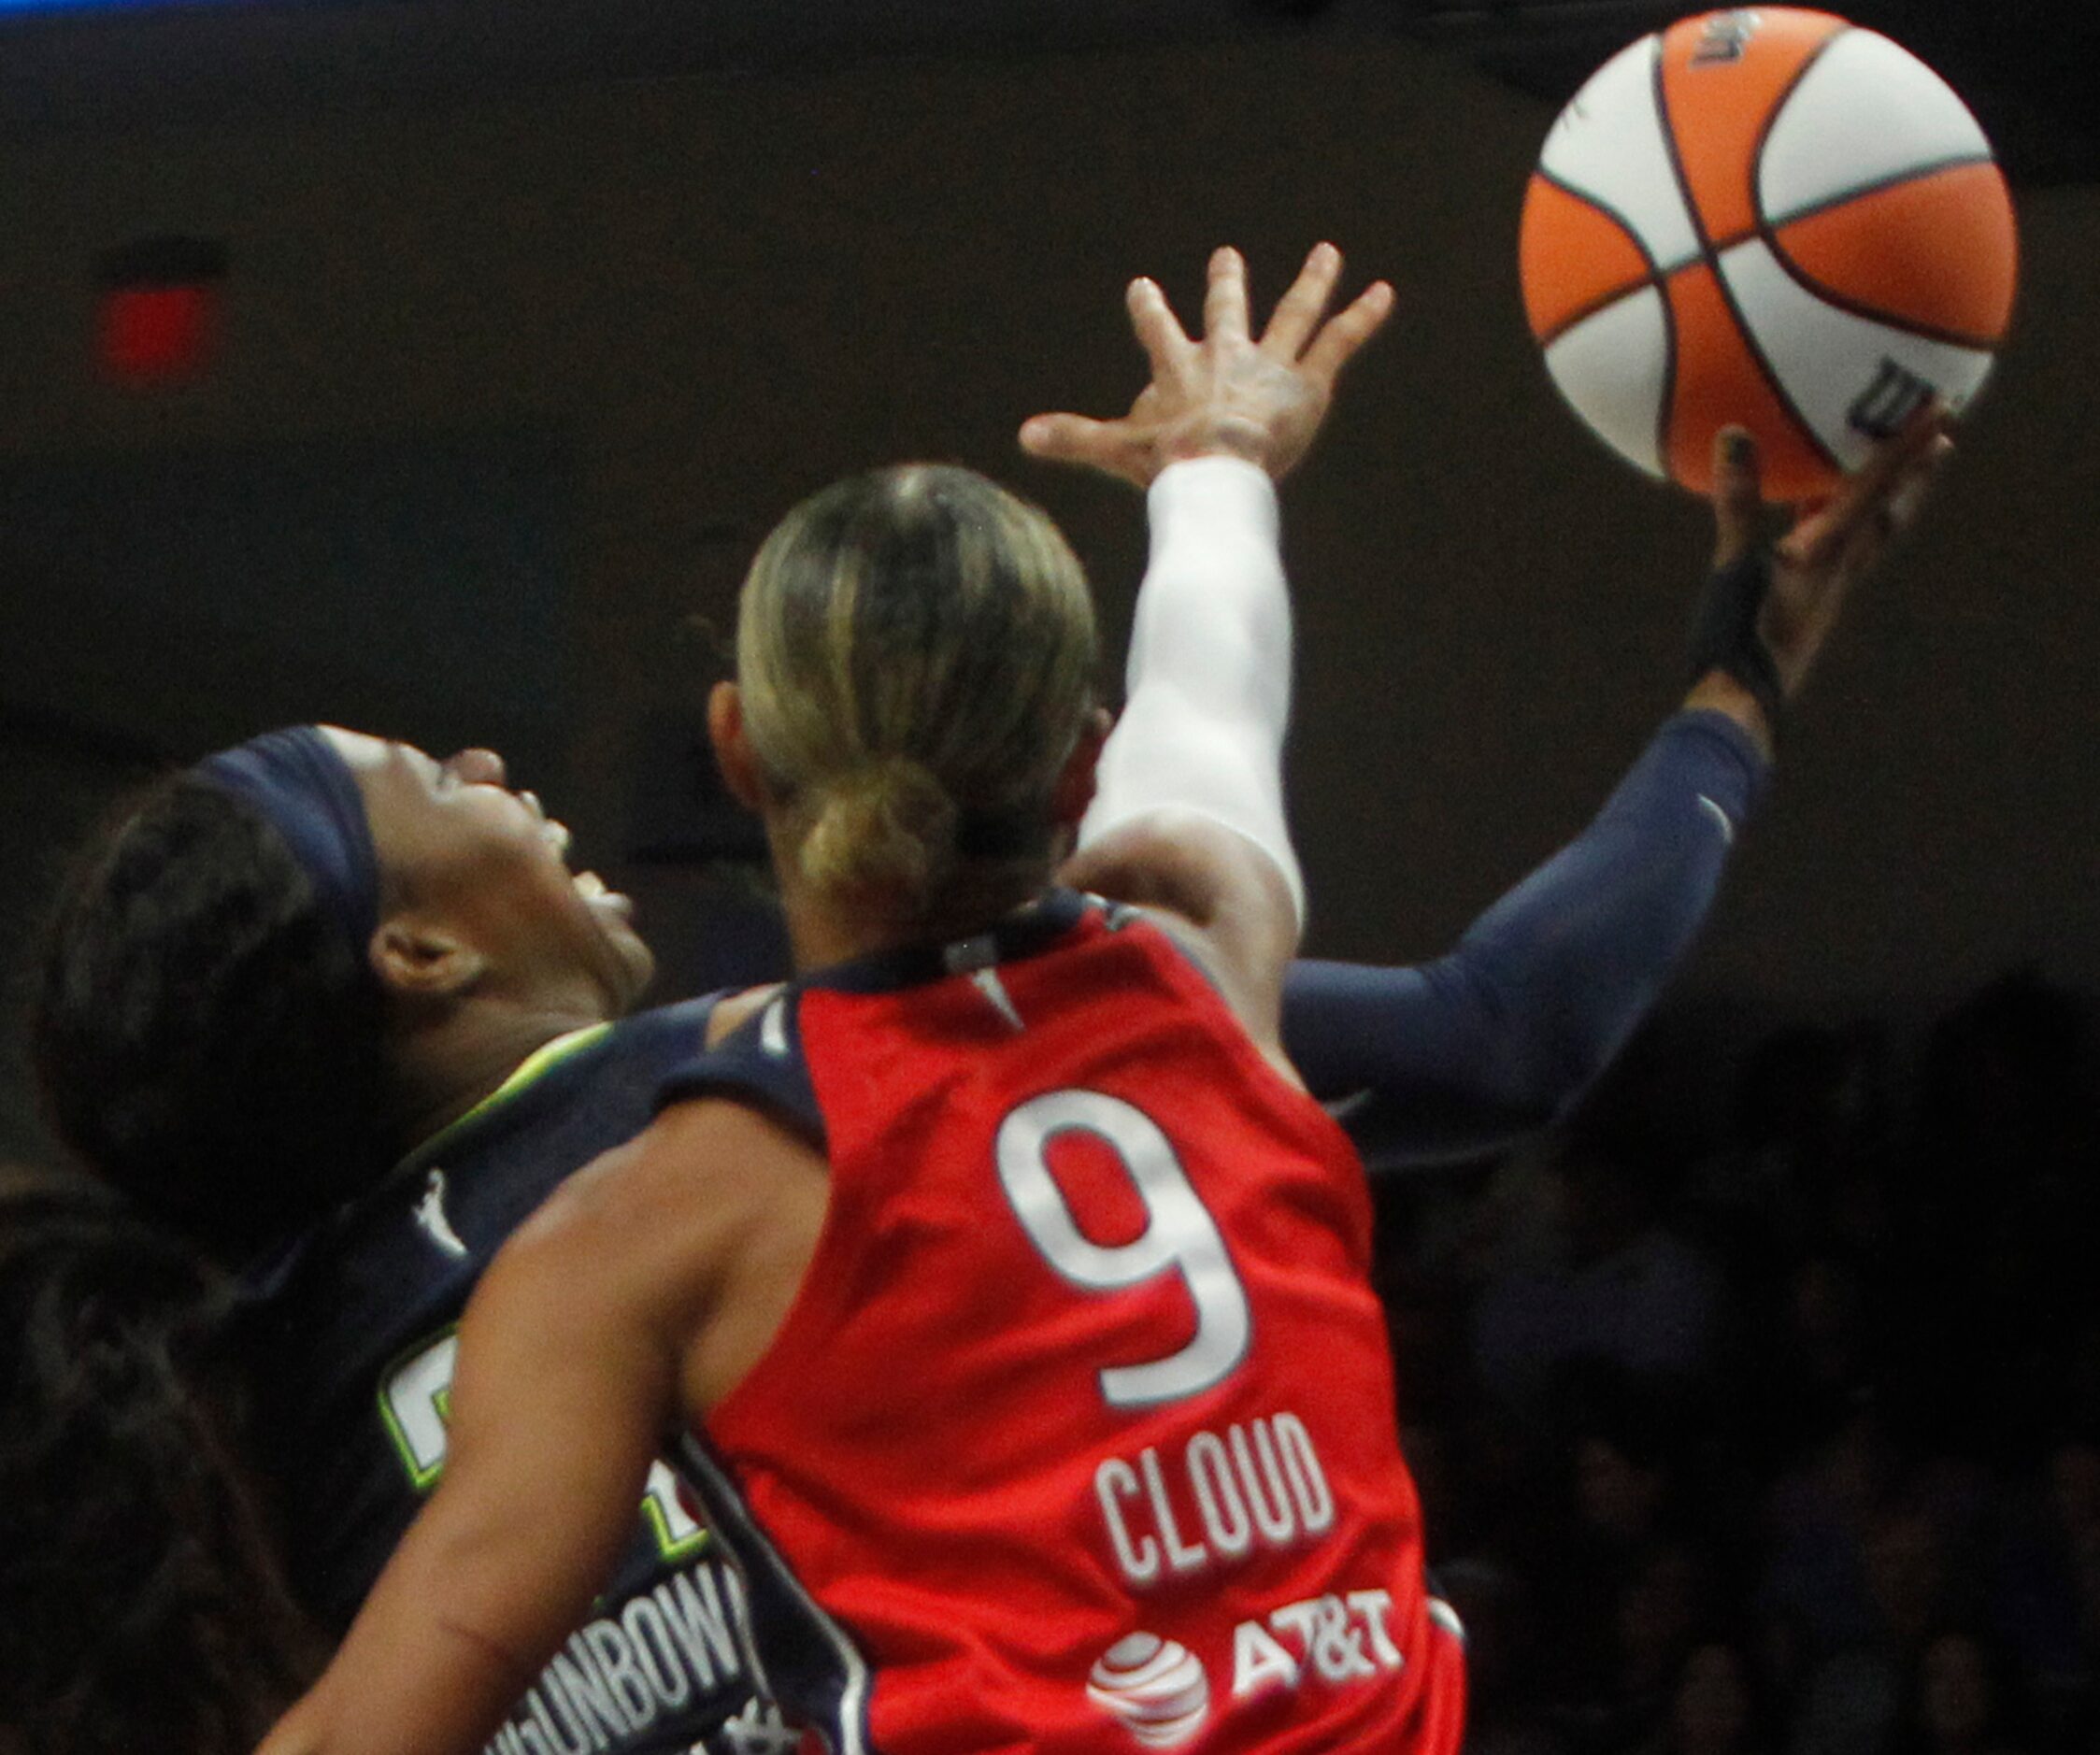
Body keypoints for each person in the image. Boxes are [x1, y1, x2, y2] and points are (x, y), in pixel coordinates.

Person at [249, 248, 1949, 1755]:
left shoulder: (661, 1215)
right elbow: (1228, 683)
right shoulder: (1203, 945)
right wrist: (1744, 669)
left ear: (736, 752)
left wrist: (1218, 474)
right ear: (1079, 766)